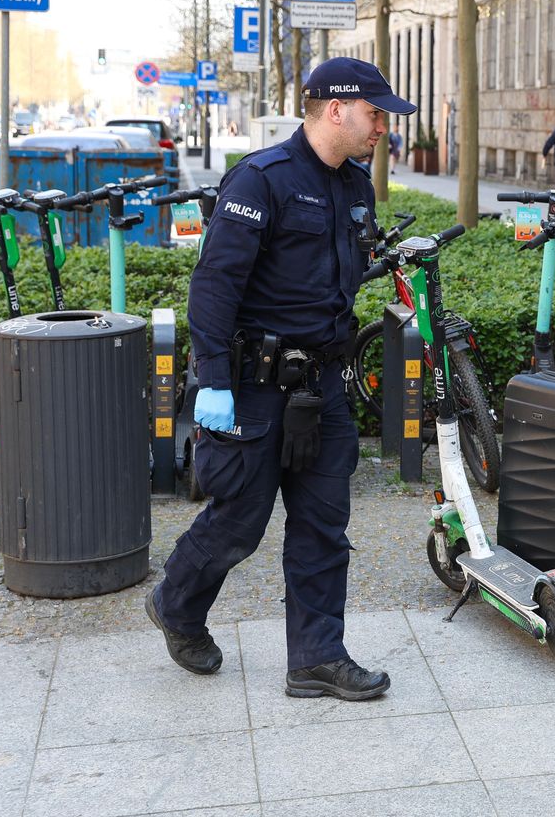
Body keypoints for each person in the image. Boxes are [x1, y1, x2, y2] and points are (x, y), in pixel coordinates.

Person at [146, 56, 417, 701]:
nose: (383, 127)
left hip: (320, 387)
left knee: (325, 524)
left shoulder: (358, 188)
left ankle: (317, 657)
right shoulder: (259, 180)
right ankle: (177, 604)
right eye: (375, 114)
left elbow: (337, 280)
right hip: (251, 387)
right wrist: (210, 380)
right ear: (335, 109)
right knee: (239, 519)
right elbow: (214, 287)